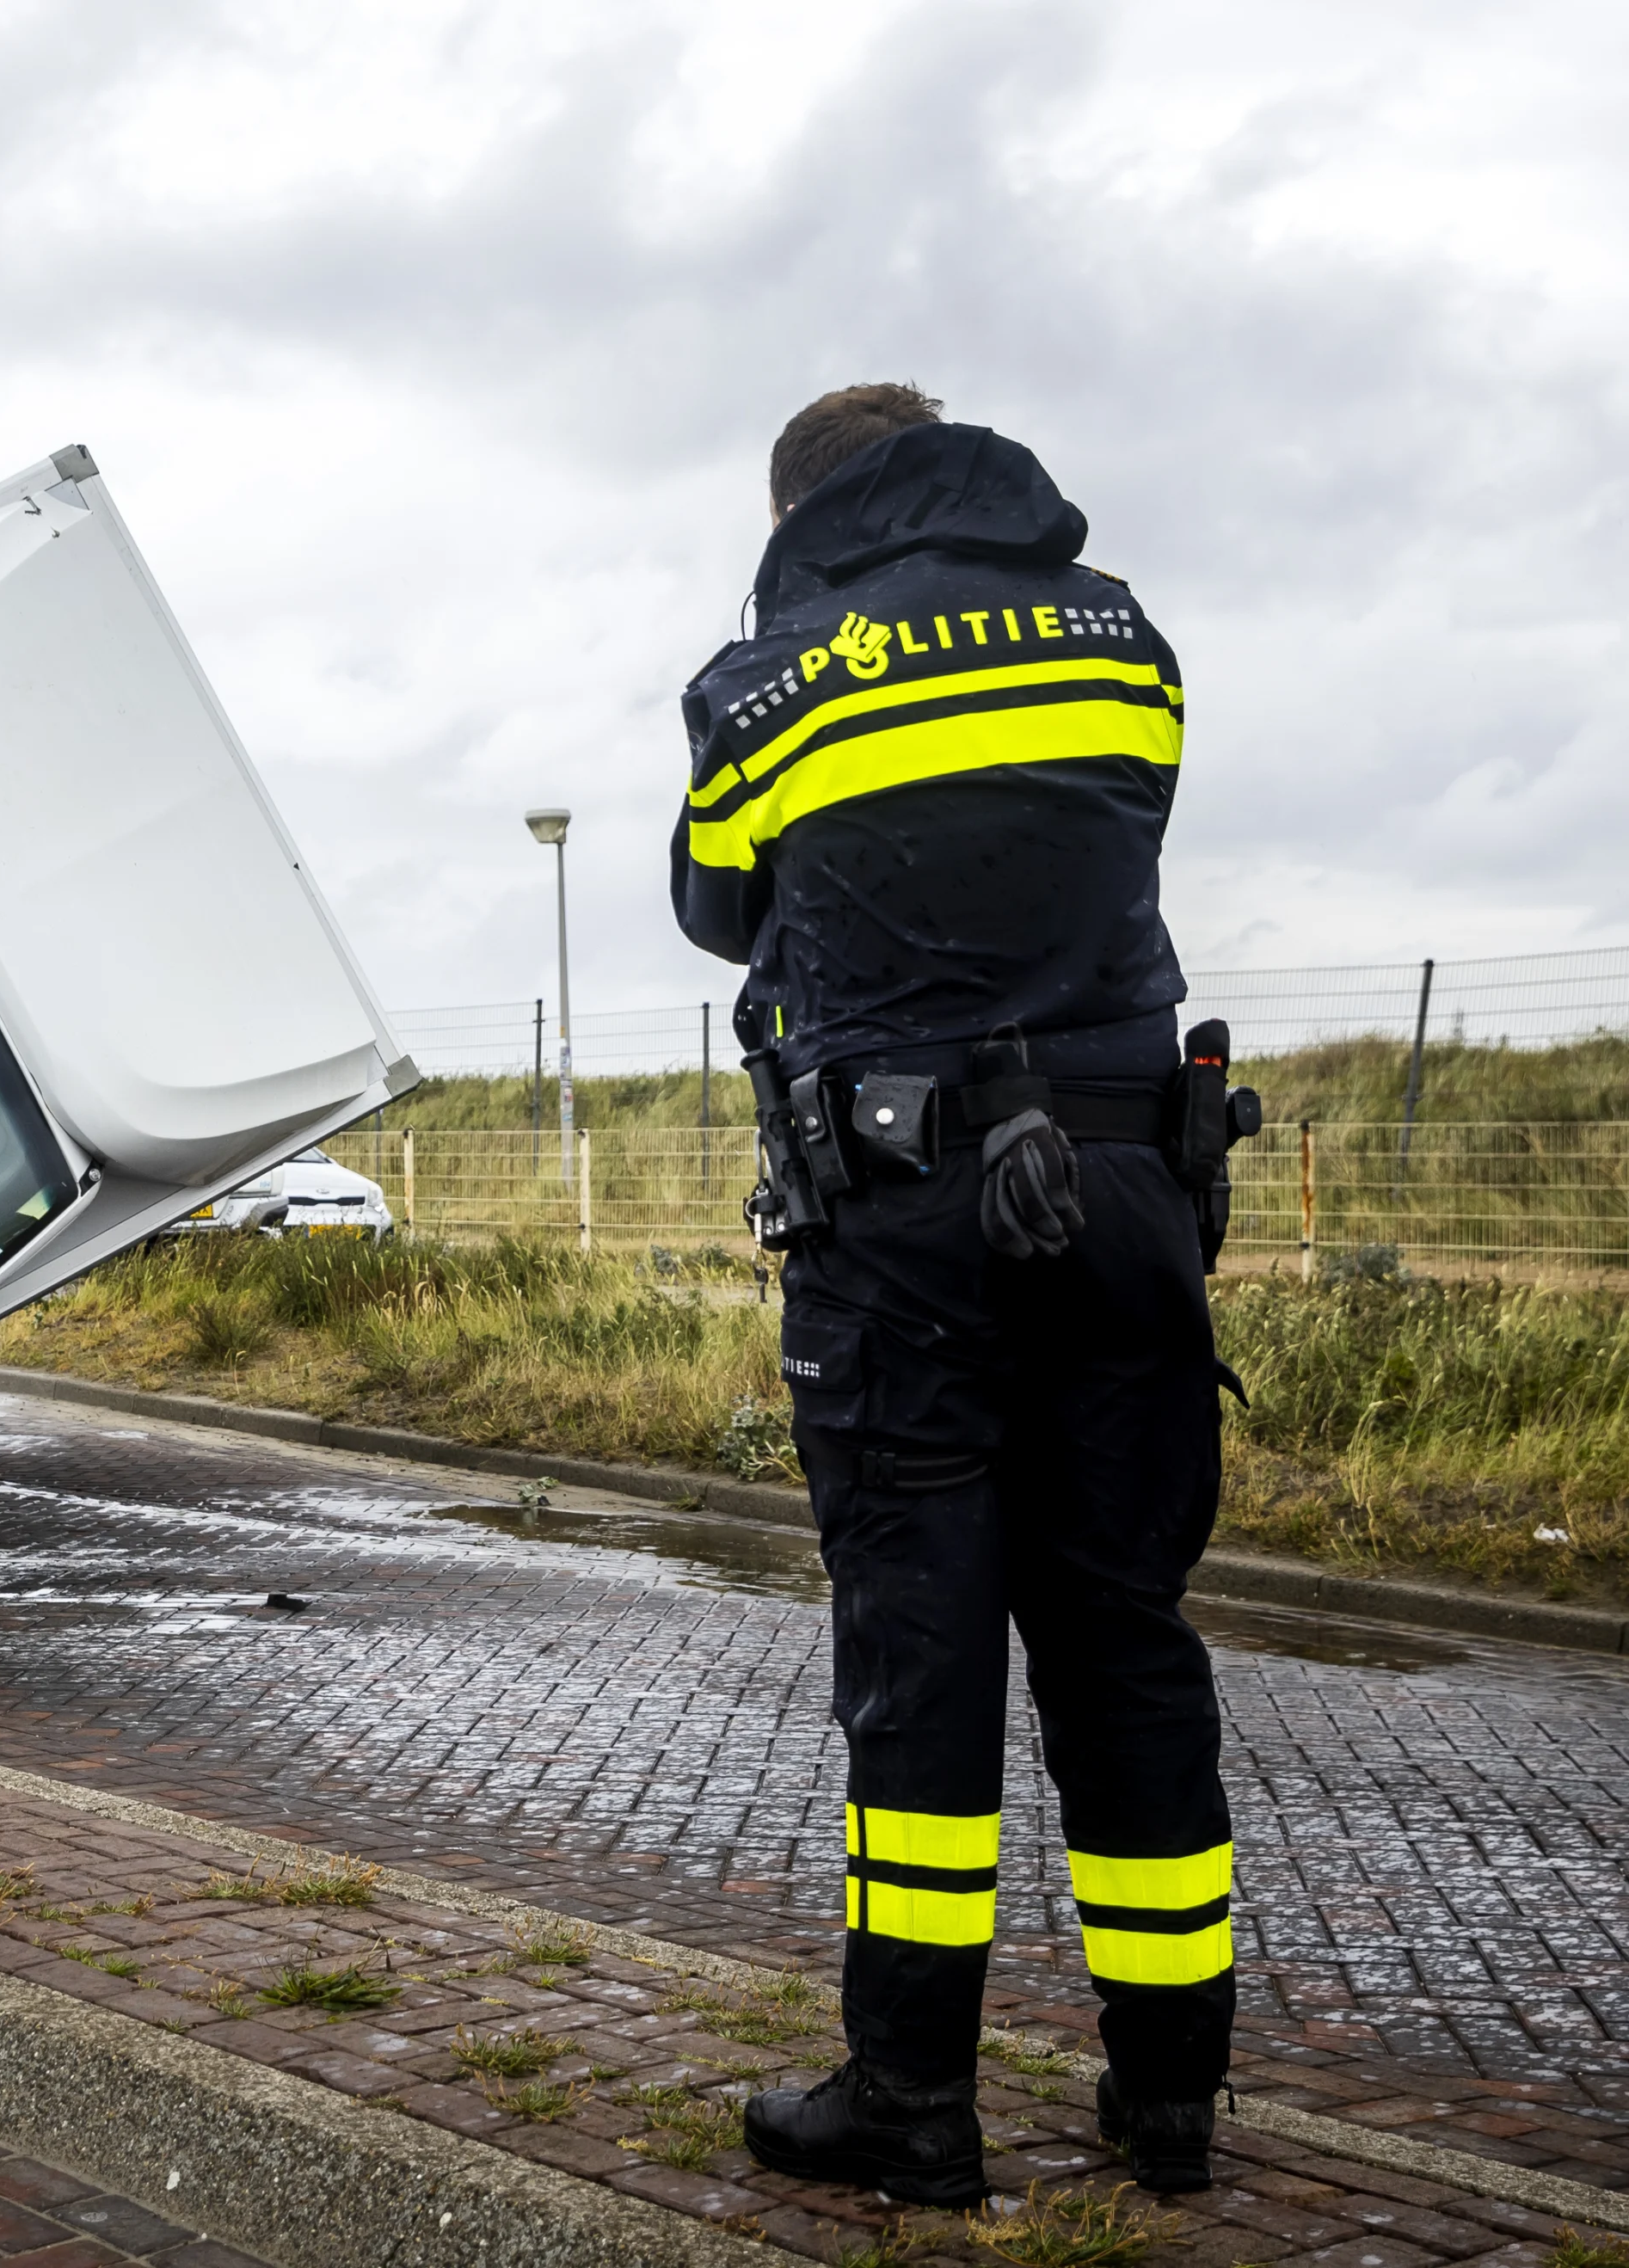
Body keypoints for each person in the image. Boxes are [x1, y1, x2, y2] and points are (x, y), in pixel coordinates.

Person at [671, 384, 1238, 2203]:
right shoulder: (1120, 632)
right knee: (1125, 1642)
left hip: (907, 1223)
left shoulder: (768, 683)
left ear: (801, 509)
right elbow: (1106, 831)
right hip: (1127, 1191)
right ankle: (1170, 2102)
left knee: (924, 1667)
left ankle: (913, 2104)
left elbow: (717, 903)